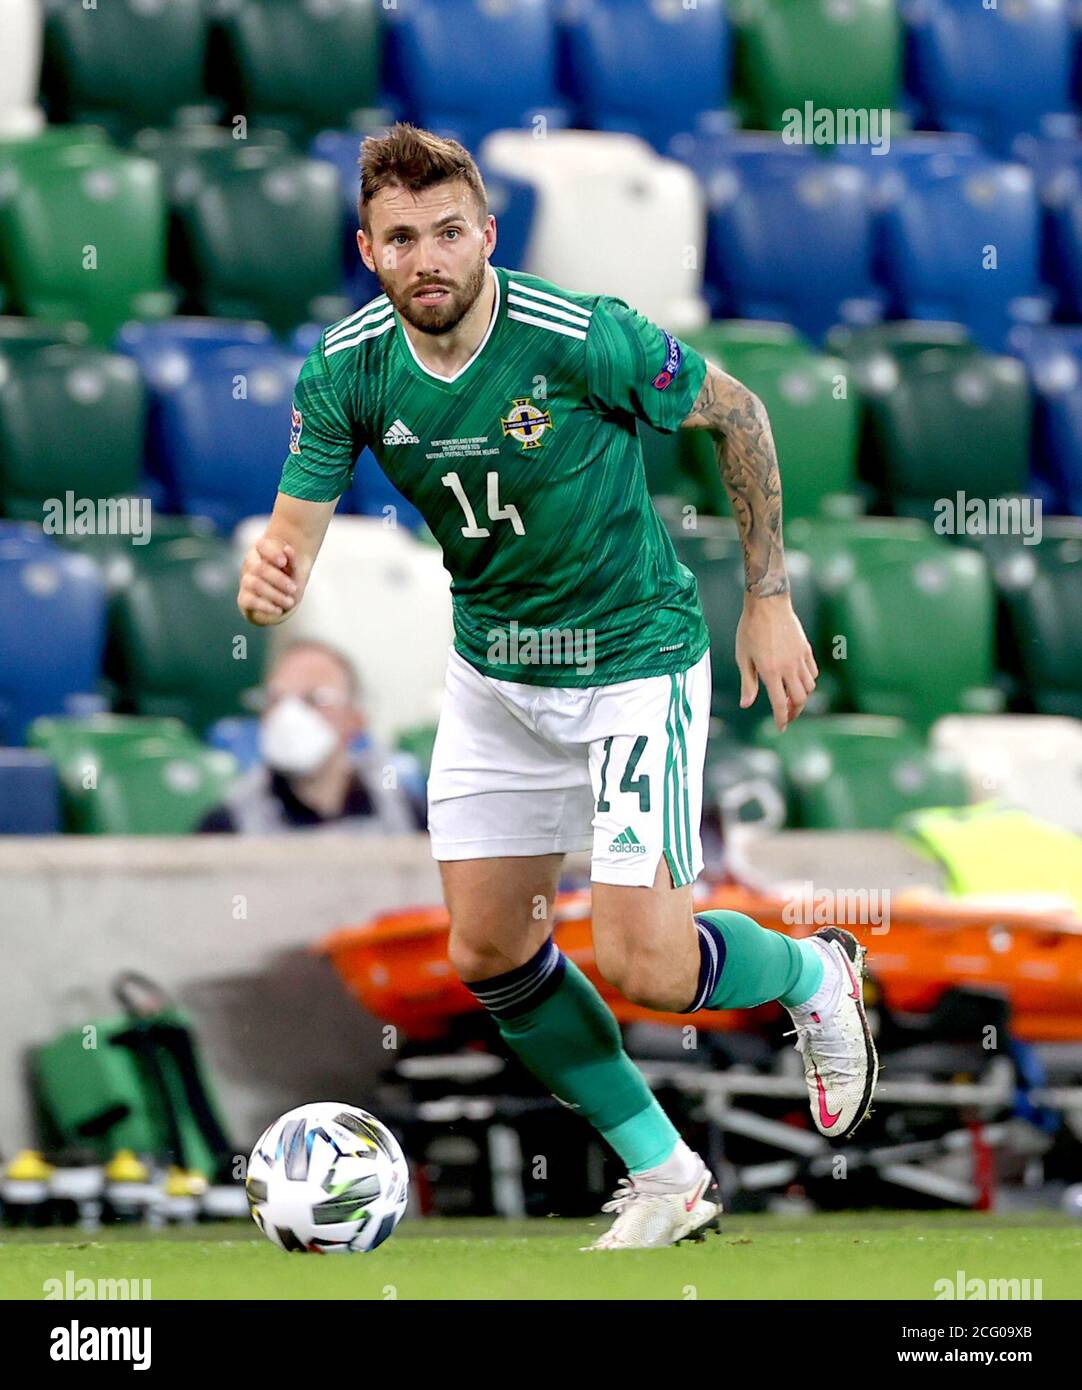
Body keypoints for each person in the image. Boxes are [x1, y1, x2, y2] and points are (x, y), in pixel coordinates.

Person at [235, 123, 879, 1248]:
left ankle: (811, 971)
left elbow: (739, 415)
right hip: (495, 676)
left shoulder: (580, 336)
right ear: (369, 250)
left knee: (648, 965)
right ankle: (666, 1172)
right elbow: (292, 538)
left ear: (486, 234)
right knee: (486, 951)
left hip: (632, 662)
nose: (427, 255)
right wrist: (271, 575)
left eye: (447, 231)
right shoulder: (345, 366)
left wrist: (766, 596)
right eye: (401, 238)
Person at [198, 638, 423, 835]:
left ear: (355, 719)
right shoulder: (230, 823)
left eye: (313, 699)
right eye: (276, 699)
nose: (288, 715)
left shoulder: (403, 815)